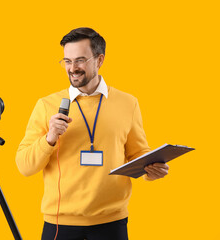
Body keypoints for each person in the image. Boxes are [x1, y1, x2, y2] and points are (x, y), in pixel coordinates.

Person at [15, 27, 169, 240]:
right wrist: (49, 138)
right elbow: (24, 166)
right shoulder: (46, 105)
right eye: (67, 61)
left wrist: (151, 171)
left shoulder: (128, 103)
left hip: (112, 222)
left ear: (99, 60)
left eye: (80, 60)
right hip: (60, 222)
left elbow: (138, 154)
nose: (72, 68)